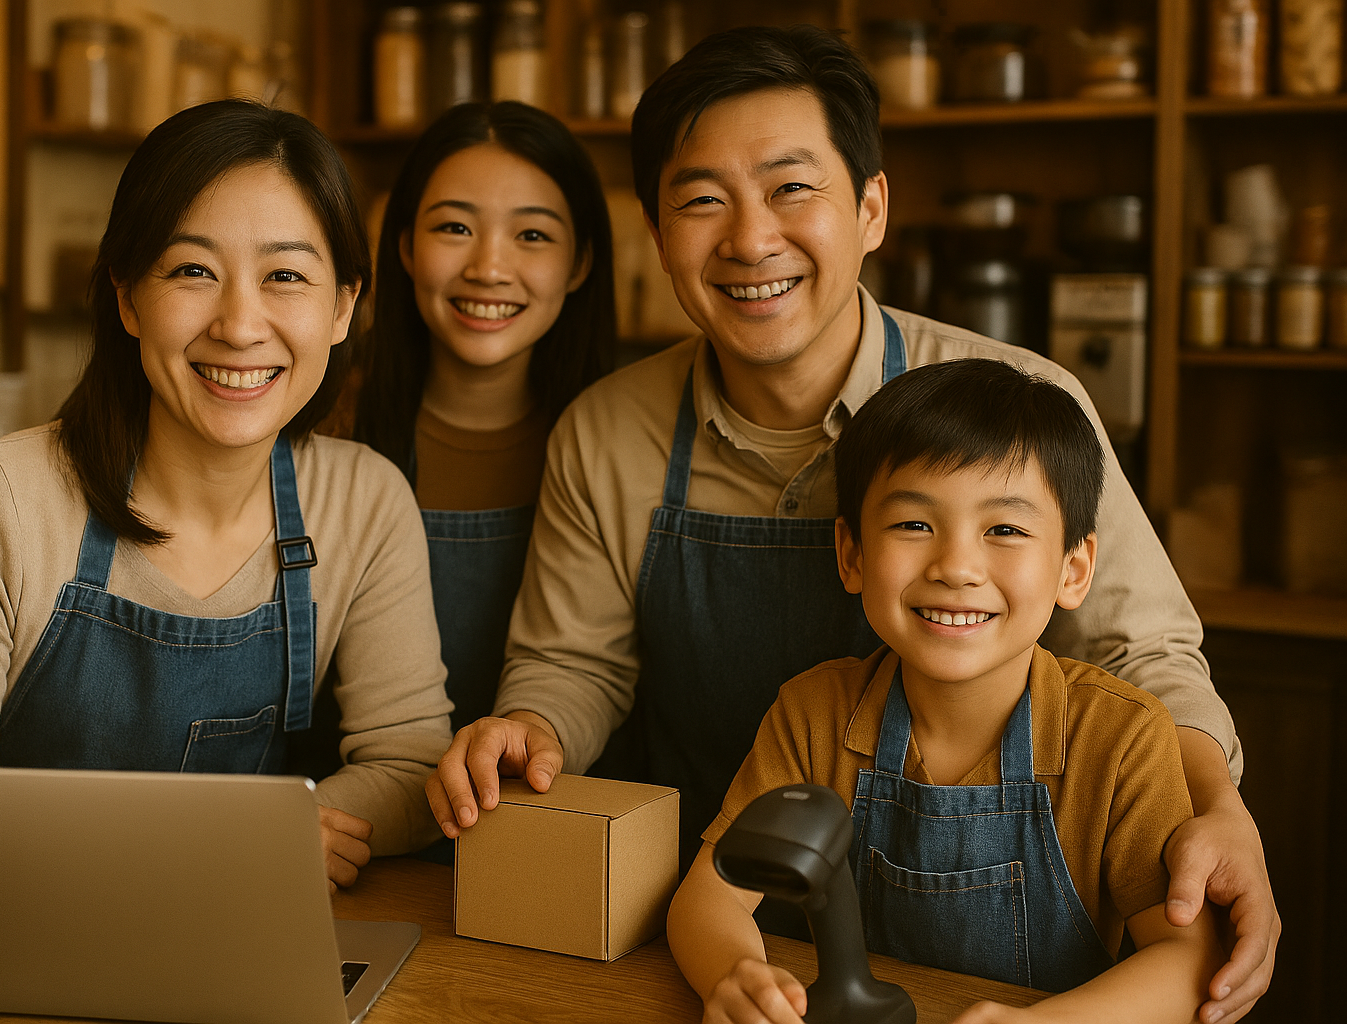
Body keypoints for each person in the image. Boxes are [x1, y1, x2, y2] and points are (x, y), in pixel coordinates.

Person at [426, 25, 1276, 1024]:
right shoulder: (607, 431)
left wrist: (1216, 809)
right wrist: (525, 729)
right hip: (727, 941)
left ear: (871, 207)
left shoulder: (1021, 402)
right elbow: (577, 663)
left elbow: (1144, 650)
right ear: (658, 234)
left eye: (792, 188)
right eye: (702, 200)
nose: (750, 240)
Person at [0, 100, 453, 892]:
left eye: (285, 275)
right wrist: (232, 845)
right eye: (192, 271)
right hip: (19, 939)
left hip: (242, 954)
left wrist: (281, 828)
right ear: (127, 297)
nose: (241, 324)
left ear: (344, 304)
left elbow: (411, 766)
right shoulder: (0, 497)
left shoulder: (365, 500)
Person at [669, 358, 1225, 1024]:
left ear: (1074, 570)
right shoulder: (813, 714)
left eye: (1005, 530)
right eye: (913, 524)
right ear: (851, 555)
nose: (956, 567)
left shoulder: (1123, 737)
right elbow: (709, 898)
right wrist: (735, 978)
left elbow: (1187, 959)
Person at [353, 101, 614, 735]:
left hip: (557, 812)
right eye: (454, 229)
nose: (488, 269)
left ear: (579, 263)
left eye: (532, 235)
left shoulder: (617, 443)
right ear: (406, 248)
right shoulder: (324, 431)